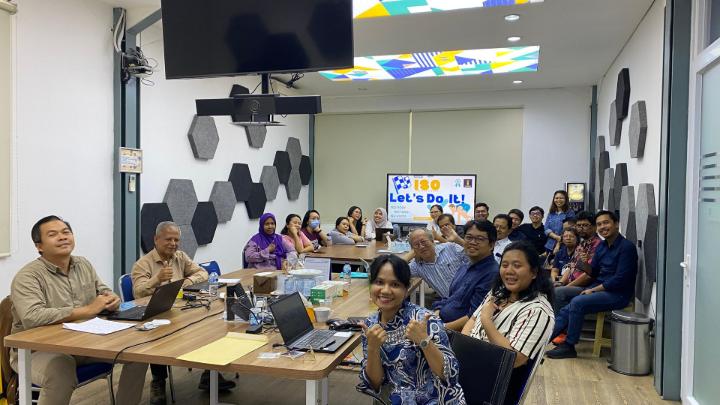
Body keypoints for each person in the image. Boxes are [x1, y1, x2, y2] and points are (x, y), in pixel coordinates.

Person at [10, 215, 148, 405]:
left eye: (66, 232)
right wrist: (87, 310)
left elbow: (103, 290)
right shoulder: (28, 276)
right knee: (60, 368)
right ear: (39, 246)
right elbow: (32, 317)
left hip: (84, 342)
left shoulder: (83, 264)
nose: (62, 237)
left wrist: (111, 299)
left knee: (137, 352)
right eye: (53, 234)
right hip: (37, 350)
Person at [131, 221, 235, 402]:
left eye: (176, 240)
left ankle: (209, 373)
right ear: (156, 239)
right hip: (156, 314)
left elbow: (202, 273)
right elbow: (137, 293)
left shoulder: (180, 257)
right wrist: (157, 279)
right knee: (158, 335)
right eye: (168, 239)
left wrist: (185, 282)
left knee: (209, 324)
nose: (173, 243)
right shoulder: (143, 264)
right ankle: (158, 381)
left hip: (181, 310)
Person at [357, 255, 466, 404]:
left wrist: (424, 341)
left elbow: (449, 375)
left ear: (406, 289)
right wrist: (372, 348)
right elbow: (375, 383)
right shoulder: (370, 325)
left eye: (395, 284)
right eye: (379, 282)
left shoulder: (424, 320)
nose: (385, 290)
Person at [462, 241, 554, 405]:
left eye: (517, 265)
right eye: (504, 265)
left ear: (534, 272)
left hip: (493, 386)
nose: (509, 271)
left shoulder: (538, 310)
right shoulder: (498, 293)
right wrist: (463, 352)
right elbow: (471, 322)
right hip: (469, 367)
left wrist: (487, 321)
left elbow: (514, 359)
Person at [546, 210, 638, 359]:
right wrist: (583, 263)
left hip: (617, 294)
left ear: (616, 224)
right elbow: (593, 272)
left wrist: (593, 290)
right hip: (597, 288)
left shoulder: (627, 247)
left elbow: (620, 279)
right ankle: (546, 339)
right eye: (599, 224)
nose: (602, 227)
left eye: (606, 223)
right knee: (561, 297)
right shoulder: (602, 246)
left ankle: (569, 345)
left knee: (577, 302)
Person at [432, 220, 499, 331]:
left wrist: (439, 329)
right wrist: (436, 313)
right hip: (440, 320)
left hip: (456, 332)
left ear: (491, 245)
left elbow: (474, 316)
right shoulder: (465, 265)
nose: (472, 242)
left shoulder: (491, 274)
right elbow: (450, 297)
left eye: (480, 239)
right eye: (469, 237)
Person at [550, 212, 602, 341]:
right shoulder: (582, 244)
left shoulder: (598, 245)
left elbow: (588, 276)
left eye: (585, 225)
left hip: (588, 287)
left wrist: (567, 286)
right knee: (551, 286)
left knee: (559, 292)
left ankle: (562, 332)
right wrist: (562, 282)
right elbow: (571, 267)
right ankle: (552, 327)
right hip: (573, 283)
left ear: (594, 227)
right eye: (579, 225)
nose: (581, 228)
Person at [406, 228, 468, 299]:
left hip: (471, 296)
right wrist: (412, 253)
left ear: (432, 241)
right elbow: (396, 270)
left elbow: (475, 259)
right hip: (451, 303)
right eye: (416, 245)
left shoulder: (451, 248)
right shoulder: (417, 266)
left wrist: (458, 239)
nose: (421, 246)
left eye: (423, 242)